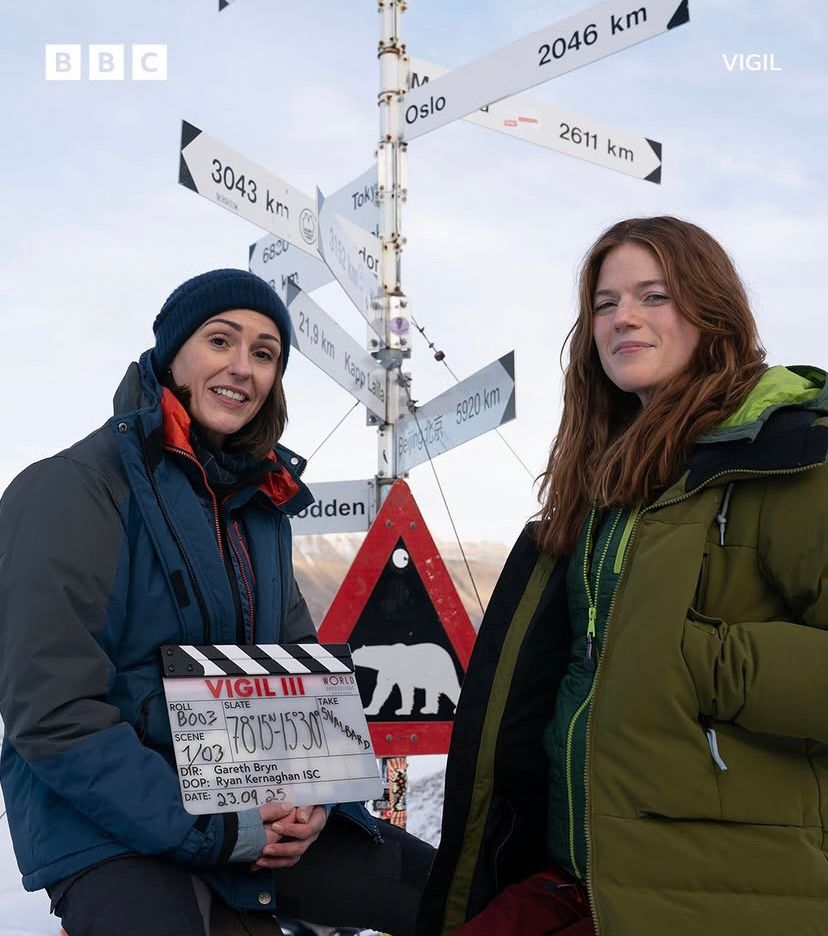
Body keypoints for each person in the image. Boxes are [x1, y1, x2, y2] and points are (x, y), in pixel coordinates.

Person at [416, 217, 828, 936]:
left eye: (654, 296)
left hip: (719, 889)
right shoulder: (607, 481)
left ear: (713, 311)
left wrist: (695, 659)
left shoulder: (790, 458)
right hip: (580, 872)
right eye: (605, 304)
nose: (623, 318)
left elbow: (657, 657)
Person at [0, 269, 433, 936]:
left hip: (253, 804)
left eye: (264, 353)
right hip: (109, 827)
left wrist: (313, 797)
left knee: (456, 893)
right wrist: (220, 827)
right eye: (220, 341)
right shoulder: (72, 488)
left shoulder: (261, 506)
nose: (242, 367)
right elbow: (54, 713)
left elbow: (300, 673)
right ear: (173, 353)